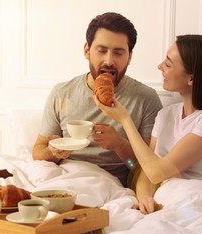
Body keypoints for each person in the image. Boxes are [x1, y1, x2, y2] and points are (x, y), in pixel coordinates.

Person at [94, 34, 202, 213]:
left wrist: (124, 119)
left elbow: (157, 172)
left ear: (191, 78)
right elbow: (146, 172)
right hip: (167, 200)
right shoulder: (166, 114)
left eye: (168, 64)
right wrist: (145, 198)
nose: (160, 66)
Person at [32, 12, 163, 187]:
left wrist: (119, 145)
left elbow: (142, 168)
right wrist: (52, 151)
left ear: (129, 57)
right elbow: (38, 152)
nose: (109, 61)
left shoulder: (146, 98)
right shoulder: (62, 93)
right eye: (101, 51)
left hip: (108, 184)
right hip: (63, 178)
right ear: (87, 51)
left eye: (118, 53)